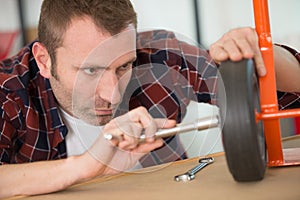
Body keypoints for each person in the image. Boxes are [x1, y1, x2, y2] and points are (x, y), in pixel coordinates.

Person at [0, 0, 218, 198]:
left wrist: (241, 54)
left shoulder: (160, 58)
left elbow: (240, 81)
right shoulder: (8, 92)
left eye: (124, 66)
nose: (112, 95)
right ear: (44, 61)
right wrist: (86, 166)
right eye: (91, 70)